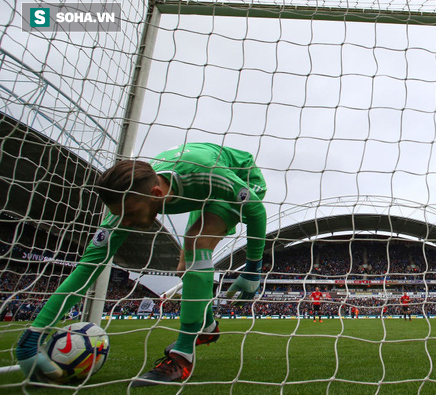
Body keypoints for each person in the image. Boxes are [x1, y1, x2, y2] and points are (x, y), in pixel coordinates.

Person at [15, 143, 267, 387]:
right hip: (198, 185)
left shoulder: (211, 176)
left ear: (156, 194)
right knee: (185, 267)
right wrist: (33, 335)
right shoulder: (126, 201)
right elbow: (87, 268)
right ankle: (207, 327)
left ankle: (182, 355)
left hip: (240, 174)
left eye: (130, 214)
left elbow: (256, 209)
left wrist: (253, 268)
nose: (124, 222)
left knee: (195, 242)